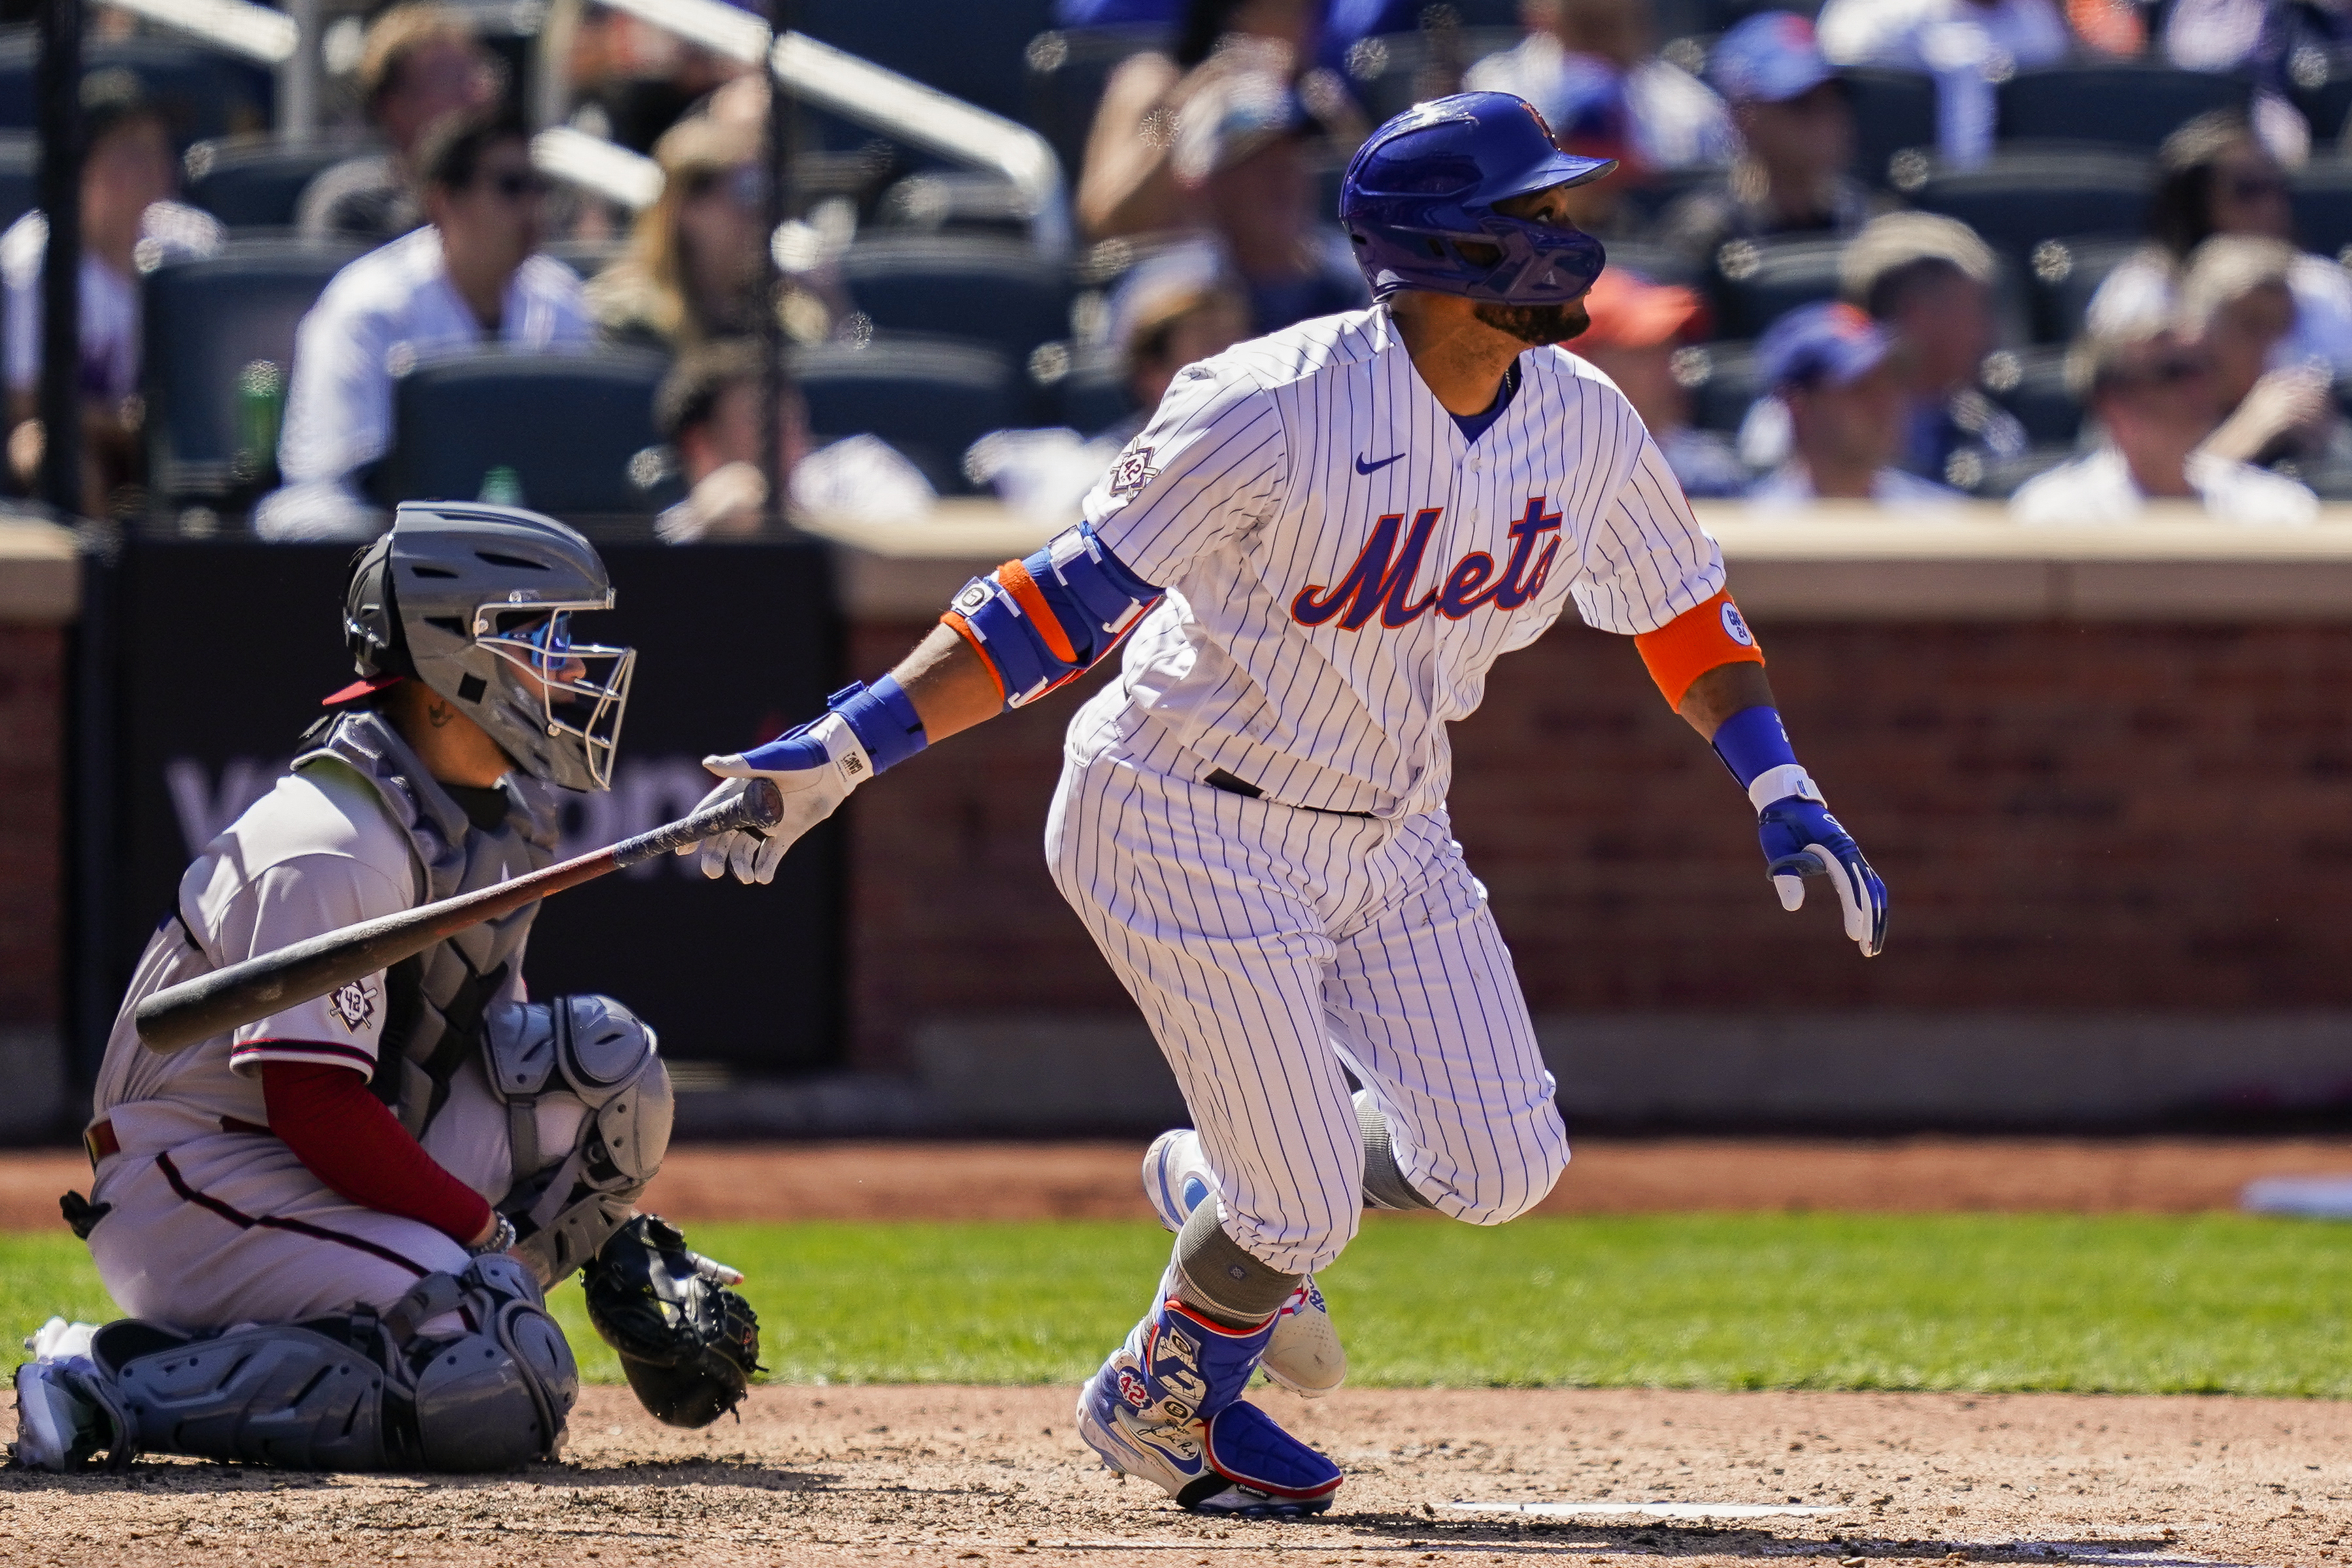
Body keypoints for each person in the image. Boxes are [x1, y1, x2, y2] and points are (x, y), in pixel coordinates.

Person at [678, 92, 1886, 1517]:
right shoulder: (1271, 400)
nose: (1569, 236)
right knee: (1304, 1202)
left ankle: (1224, 1187)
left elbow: (1682, 611)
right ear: (1448, 247)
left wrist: (1777, 777)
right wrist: (842, 748)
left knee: (1500, 1163)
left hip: (1390, 827)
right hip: (1183, 815)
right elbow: (1056, 608)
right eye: (1535, 215)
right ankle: (1163, 1395)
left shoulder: (1581, 422)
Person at [10, 503, 760, 1475]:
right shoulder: (335, 834)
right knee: (495, 1368)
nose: (570, 666)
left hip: (309, 1148)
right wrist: (488, 1237)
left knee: (614, 1073)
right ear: (454, 664)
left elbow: (472, 1045)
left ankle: (468, 1312)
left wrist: (607, 1241)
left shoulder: (482, 811)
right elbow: (312, 1104)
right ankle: (105, 1381)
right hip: (198, 1177)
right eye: (539, 636)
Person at [259, 110, 596, 541]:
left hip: (523, 556)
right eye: (511, 187)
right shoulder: (369, 306)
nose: (533, 208)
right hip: (382, 555)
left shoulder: (560, 299)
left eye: (539, 188)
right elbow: (336, 476)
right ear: (444, 202)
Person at [2, 69, 221, 516]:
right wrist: (126, 426)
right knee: (44, 448)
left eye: (159, 148)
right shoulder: (35, 259)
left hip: (177, 442)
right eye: (132, 151)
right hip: (91, 443)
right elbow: (28, 404)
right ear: (82, 166)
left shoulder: (193, 242)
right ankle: (93, 582)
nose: (155, 164)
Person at [967, 254, 1254, 521]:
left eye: (1240, 343)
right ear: (1151, 373)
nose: (1233, 363)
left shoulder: (1285, 463)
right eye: (1211, 345)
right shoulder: (1096, 484)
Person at [2086, 110, 2352, 378]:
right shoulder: (2141, 294)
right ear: (2195, 205)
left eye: (2277, 186)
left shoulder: (2322, 285)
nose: (2272, 205)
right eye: (2249, 190)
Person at [1076, 0, 1344, 241]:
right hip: (1169, 279)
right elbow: (1102, 218)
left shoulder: (1311, 95)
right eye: (1290, 10)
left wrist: (1332, 115)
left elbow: (1363, 209)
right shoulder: (1152, 83)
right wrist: (1188, 104)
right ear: (1237, 13)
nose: (1312, 28)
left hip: (1284, 280)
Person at [2010, 318, 2319, 522]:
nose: (2199, 387)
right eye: (2175, 372)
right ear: (2114, 401)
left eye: (2204, 368)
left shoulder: (2275, 509)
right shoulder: (2055, 515)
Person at [650, 338, 935, 541]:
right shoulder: (677, 534)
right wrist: (716, 533)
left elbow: (914, 543)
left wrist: (795, 521)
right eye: (763, 420)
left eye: (793, 416)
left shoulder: (859, 472)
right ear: (701, 446)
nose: (788, 431)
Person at [1658, 13, 1879, 269]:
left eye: (1836, 100)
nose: (1826, 119)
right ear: (1744, 118)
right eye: (1801, 104)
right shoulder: (1707, 232)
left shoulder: (1867, 219)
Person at [1840, 211, 2026, 489]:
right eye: (1976, 312)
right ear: (1917, 317)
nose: (1987, 334)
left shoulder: (1984, 432)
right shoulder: (1814, 417)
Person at [1178, 72, 1369, 333]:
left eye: (1291, 156)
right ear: (1208, 187)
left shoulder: (1364, 283)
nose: (1282, 179)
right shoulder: (1173, 303)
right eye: (1256, 164)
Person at [297, 3, 497, 245]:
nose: (472, 95)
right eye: (448, 80)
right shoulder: (352, 207)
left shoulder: (522, 195)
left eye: (475, 75)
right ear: (392, 106)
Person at [1466, 0, 1738, 175]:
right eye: (1589, 25)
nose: (1612, 38)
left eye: (1622, 22)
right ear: (1544, 18)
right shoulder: (1493, 91)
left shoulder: (1692, 108)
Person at [1745, 301, 1970, 507]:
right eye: (1861, 389)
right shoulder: (1746, 536)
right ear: (1798, 406)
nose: (1886, 404)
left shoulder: (1951, 528)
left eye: (1891, 384)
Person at [590, 113, 774, 354]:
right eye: (746, 189)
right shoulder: (625, 323)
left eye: (765, 188)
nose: (760, 209)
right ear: (686, 208)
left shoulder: (777, 321)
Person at [1815, 0, 2071, 163]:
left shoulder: (2038, 22)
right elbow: (1822, 73)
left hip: (1999, 203)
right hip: (1887, 194)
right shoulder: (1879, 13)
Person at [1571, 265, 1749, 497]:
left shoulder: (1709, 476)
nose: (1672, 372)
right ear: (1582, 366)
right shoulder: (1531, 469)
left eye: (1669, 351)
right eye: (1643, 354)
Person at [2180, 233, 2344, 473]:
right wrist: (2247, 432)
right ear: (2198, 330)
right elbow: (2156, 497)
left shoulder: (2309, 413)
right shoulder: (2160, 395)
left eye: (2282, 326)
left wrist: (2327, 446)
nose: (2272, 344)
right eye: (2252, 325)